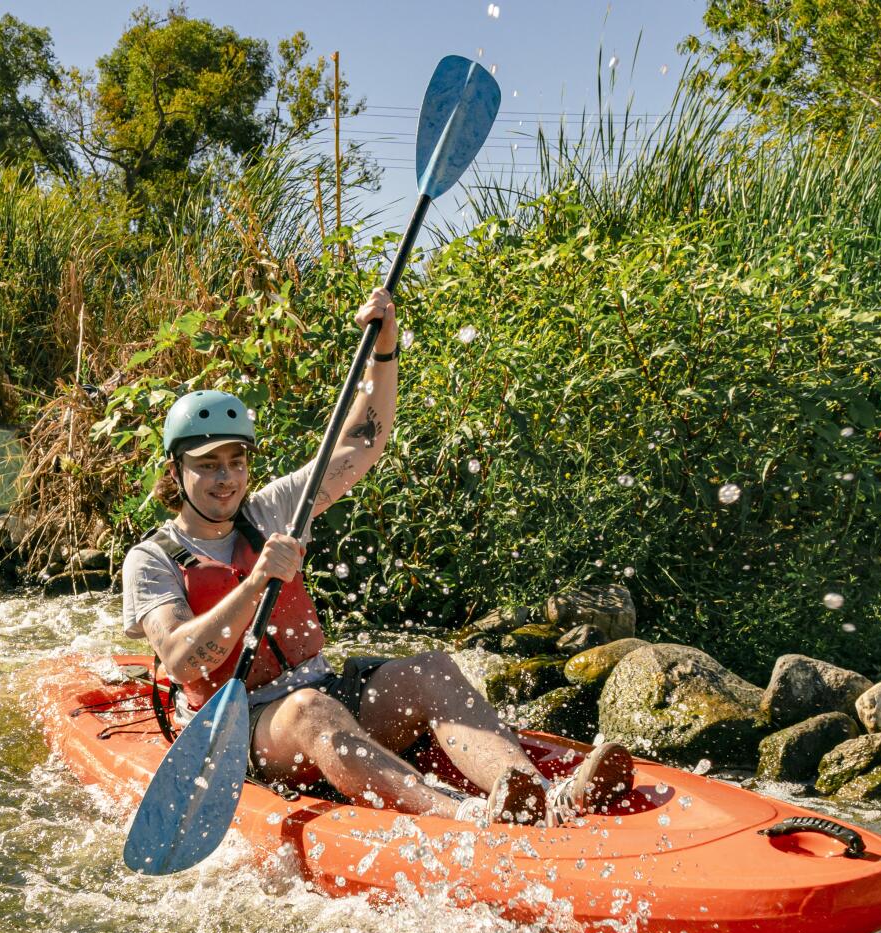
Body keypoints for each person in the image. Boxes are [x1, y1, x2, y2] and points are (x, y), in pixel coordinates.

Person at [119, 287, 631, 826]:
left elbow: (361, 443)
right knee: (309, 710)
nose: (225, 478)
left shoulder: (272, 512)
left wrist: (385, 348)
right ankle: (467, 816)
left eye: (236, 461)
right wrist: (253, 586)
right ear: (176, 472)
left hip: (322, 689)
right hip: (241, 729)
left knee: (431, 668)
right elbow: (181, 658)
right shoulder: (151, 559)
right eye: (207, 465)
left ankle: (545, 793)